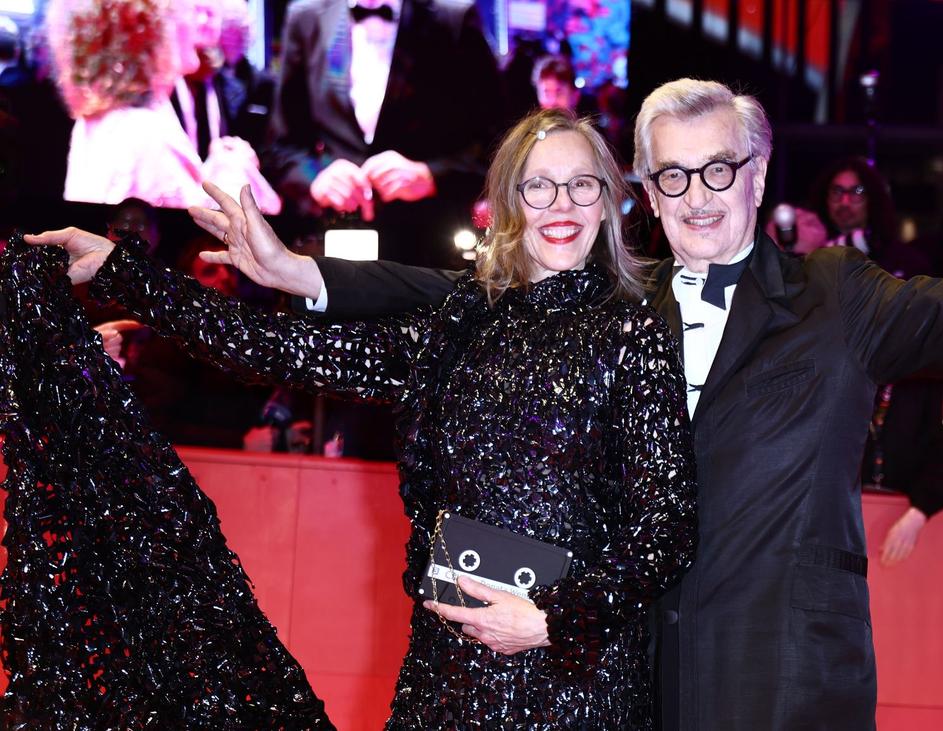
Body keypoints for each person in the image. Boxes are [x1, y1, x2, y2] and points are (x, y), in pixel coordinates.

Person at [173, 79, 943, 730]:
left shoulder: (841, 295)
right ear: (646, 194)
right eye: (671, 175)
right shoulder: (617, 303)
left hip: (781, 670)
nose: (698, 195)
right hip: (628, 662)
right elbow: (453, 298)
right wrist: (303, 273)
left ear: (756, 173)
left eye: (717, 169)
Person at [27, 108, 698, 728]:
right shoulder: (459, 328)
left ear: (608, 200)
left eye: (582, 185)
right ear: (508, 203)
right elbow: (279, 348)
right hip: (449, 676)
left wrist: (555, 619)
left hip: (574, 679)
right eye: (540, 186)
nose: (562, 205)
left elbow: (667, 526)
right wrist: (124, 274)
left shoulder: (632, 336)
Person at [263, 0, 504, 266]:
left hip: (426, 247)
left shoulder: (452, 19)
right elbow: (280, 147)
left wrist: (430, 175)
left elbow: (496, 143)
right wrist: (316, 177)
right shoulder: (307, 18)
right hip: (330, 243)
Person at [48, 0, 279, 212]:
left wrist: (217, 166)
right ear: (149, 30)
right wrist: (235, 170)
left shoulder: (108, 117)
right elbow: (186, 233)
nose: (196, 24)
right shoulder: (142, 135)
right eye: (186, 11)